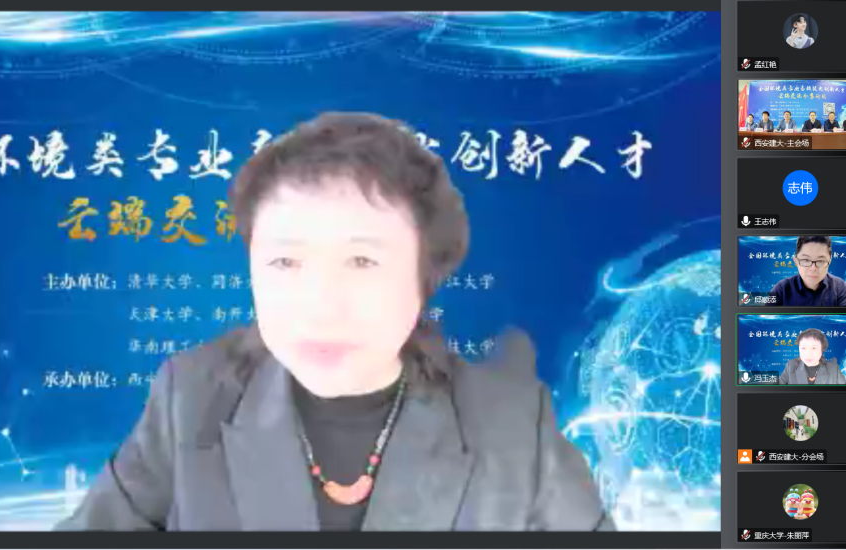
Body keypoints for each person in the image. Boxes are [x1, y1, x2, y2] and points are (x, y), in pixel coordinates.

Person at [53, 112, 613, 531]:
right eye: (285, 262)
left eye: (362, 261)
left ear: (425, 276)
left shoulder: (513, 426)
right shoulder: (192, 396)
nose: (319, 305)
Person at [770, 236, 846, 306]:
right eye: (806, 260)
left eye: (820, 261)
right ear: (796, 262)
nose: (813, 268)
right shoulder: (781, 289)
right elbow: (767, 316)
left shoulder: (840, 287)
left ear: (829, 262)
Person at [778, 328, 846, 385]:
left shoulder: (833, 370)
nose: (808, 354)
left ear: (822, 350)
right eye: (803, 348)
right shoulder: (791, 366)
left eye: (814, 348)